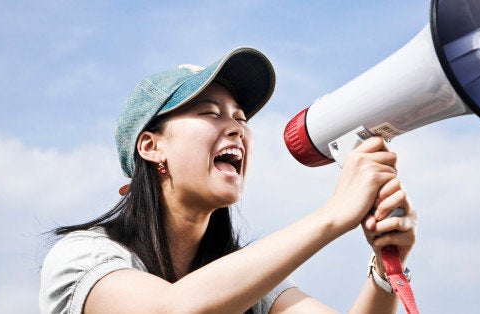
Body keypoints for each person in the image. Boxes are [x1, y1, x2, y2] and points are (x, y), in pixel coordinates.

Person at [39, 47, 418, 314]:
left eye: (241, 118)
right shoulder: (86, 258)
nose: (236, 129)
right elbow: (171, 310)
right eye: (210, 112)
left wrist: (385, 274)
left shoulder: (252, 284)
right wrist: (334, 214)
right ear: (152, 146)